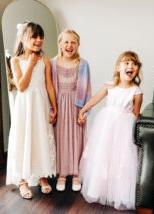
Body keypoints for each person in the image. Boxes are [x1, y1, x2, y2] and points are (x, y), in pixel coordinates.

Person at [78, 51, 143, 210]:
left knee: (121, 159)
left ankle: (119, 193)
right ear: (118, 67)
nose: (130, 66)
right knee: (103, 155)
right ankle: (100, 188)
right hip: (106, 125)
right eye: (126, 63)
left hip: (125, 127)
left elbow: (136, 113)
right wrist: (82, 111)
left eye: (134, 64)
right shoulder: (109, 86)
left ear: (137, 70)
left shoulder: (136, 91)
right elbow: (94, 99)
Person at [6, 21, 57, 199]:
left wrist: (54, 107)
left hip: (41, 103)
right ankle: (22, 180)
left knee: (40, 137)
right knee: (24, 137)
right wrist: (30, 63)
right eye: (34, 36)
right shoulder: (15, 60)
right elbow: (21, 86)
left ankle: (42, 176)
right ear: (23, 38)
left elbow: (49, 86)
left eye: (41, 37)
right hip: (25, 105)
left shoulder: (45, 60)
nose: (38, 40)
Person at [50, 29, 91, 192]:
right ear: (60, 44)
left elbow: (87, 90)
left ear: (78, 45)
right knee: (60, 138)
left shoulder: (83, 64)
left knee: (77, 139)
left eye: (73, 42)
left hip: (76, 106)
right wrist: (51, 109)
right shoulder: (52, 63)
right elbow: (49, 88)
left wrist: (84, 112)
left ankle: (75, 174)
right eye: (66, 41)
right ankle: (62, 173)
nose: (69, 45)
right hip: (59, 105)